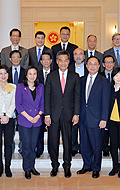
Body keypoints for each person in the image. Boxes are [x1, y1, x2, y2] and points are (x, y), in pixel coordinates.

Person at [44, 50, 80, 178]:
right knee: (53, 142)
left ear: (69, 62)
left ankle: (67, 166)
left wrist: (76, 114)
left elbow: (77, 97)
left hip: (69, 115)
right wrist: (47, 114)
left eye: (66, 60)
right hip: (53, 115)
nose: (63, 63)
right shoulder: (51, 76)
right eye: (61, 60)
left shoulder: (75, 76)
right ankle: (54, 165)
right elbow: (46, 96)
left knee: (68, 141)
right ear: (57, 62)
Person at [77, 56, 111, 179]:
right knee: (84, 144)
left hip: (97, 119)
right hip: (83, 118)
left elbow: (106, 102)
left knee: (96, 145)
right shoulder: (81, 80)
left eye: (95, 64)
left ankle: (96, 167)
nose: (92, 66)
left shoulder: (104, 81)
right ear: (86, 66)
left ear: (99, 66)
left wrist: (104, 119)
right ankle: (87, 165)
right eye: (90, 64)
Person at [15, 66, 44, 179]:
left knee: (33, 146)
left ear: (37, 76)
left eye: (34, 74)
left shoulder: (41, 87)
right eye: (30, 74)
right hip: (24, 121)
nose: (32, 76)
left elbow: (42, 103)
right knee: (26, 146)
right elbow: (18, 104)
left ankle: (32, 167)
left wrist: (38, 115)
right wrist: (28, 117)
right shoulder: (20, 87)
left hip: (37, 121)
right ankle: (26, 168)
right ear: (26, 75)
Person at [68, 47, 88, 156]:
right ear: (73, 56)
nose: (78, 56)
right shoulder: (68, 68)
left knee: (84, 126)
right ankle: (74, 147)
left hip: (86, 101)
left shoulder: (89, 68)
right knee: (73, 126)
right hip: (72, 101)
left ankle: (84, 147)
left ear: (84, 56)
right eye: (76, 54)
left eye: (80, 54)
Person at [36, 52, 53, 158]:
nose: (46, 61)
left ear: (51, 61)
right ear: (41, 61)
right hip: (39, 106)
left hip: (52, 106)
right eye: (43, 59)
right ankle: (39, 149)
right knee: (40, 129)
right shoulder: (36, 74)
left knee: (52, 130)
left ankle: (52, 150)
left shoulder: (56, 73)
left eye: (48, 59)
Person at [99, 55, 115, 156]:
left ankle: (112, 148)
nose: (109, 64)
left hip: (115, 105)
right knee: (103, 128)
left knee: (112, 128)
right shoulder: (99, 76)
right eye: (106, 62)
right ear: (103, 64)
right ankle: (104, 147)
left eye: (111, 62)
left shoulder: (118, 75)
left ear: (113, 64)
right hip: (102, 105)